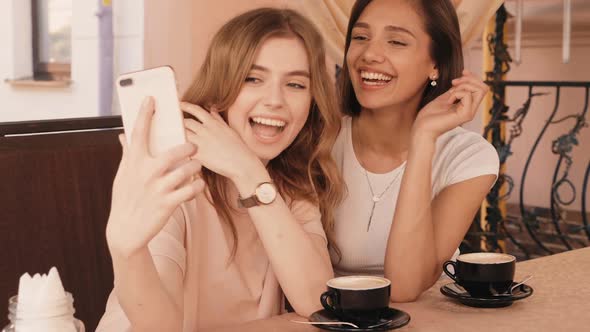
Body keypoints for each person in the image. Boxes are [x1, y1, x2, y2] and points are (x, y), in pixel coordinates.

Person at [96, 8, 343, 331]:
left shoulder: (291, 182)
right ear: (221, 88)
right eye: (253, 78)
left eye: (296, 85)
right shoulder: (176, 173)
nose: (275, 100)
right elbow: (161, 326)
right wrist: (126, 251)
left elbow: (317, 301)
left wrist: (248, 172)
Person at [331, 0, 500, 302]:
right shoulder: (319, 141)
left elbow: (405, 287)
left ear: (435, 63)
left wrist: (423, 139)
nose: (369, 54)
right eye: (360, 37)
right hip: (330, 312)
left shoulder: (469, 157)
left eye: (396, 41)